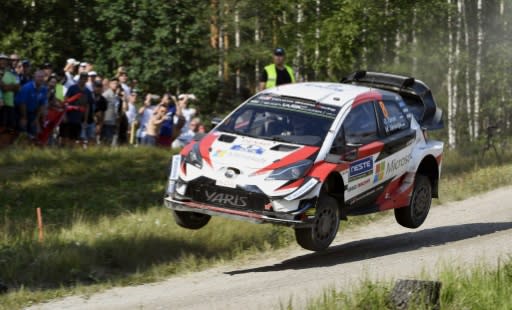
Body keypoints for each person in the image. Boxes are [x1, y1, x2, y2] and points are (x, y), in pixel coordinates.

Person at [60, 72, 91, 146]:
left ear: (86, 80)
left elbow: (87, 106)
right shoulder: (72, 88)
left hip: (78, 118)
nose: (83, 80)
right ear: (79, 79)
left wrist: (85, 120)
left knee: (74, 138)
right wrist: (64, 115)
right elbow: (65, 101)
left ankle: (71, 151)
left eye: (85, 79)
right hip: (68, 116)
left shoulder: (87, 92)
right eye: (82, 79)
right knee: (64, 136)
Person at [16, 70, 48, 137]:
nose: (41, 79)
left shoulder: (44, 89)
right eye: (39, 77)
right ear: (34, 77)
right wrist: (24, 117)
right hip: (21, 111)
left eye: (42, 77)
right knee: (22, 131)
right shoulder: (27, 87)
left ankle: (30, 145)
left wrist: (37, 119)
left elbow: (42, 104)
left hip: (33, 112)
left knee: (33, 132)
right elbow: (22, 103)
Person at [0, 53, 20, 134]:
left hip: (10, 103)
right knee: (2, 125)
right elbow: (4, 88)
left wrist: (6, 86)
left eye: (5, 60)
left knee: (10, 126)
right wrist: (10, 87)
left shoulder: (11, 73)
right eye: (1, 60)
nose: (3, 62)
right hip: (1, 103)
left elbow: (18, 88)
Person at [102, 77, 120, 144]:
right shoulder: (106, 95)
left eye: (117, 84)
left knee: (111, 141)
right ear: (109, 84)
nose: (115, 85)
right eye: (114, 83)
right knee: (106, 141)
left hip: (113, 122)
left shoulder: (116, 96)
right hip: (106, 121)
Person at [91, 80, 107, 145]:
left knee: (93, 139)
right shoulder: (89, 96)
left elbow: (102, 114)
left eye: (100, 87)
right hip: (86, 120)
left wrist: (100, 126)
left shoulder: (103, 100)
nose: (98, 88)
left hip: (97, 122)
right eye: (97, 86)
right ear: (93, 87)